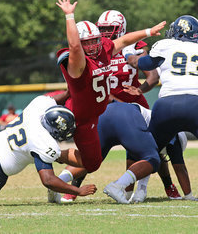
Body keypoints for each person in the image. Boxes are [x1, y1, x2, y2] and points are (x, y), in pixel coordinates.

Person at [61, 10, 179, 202]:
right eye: (103, 29)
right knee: (95, 149)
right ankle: (72, 187)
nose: (106, 33)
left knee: (152, 146)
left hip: (132, 105)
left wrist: (139, 89)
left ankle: (167, 184)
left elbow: (151, 74)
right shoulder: (97, 50)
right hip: (105, 105)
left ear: (121, 27)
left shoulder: (126, 46)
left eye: (110, 28)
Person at [54, 0, 166, 176]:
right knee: (91, 163)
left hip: (97, 115)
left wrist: (148, 32)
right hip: (82, 117)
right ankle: (48, 154)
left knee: (93, 164)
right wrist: (69, 16)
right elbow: (74, 47)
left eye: (95, 40)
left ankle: (54, 157)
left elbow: (123, 41)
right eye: (87, 42)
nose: (92, 45)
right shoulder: (78, 62)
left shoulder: (102, 51)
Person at [135, 15, 198, 201]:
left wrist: (130, 56)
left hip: (167, 104)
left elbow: (145, 64)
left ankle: (137, 190)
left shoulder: (165, 45)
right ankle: (187, 194)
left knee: (149, 149)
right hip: (195, 101)